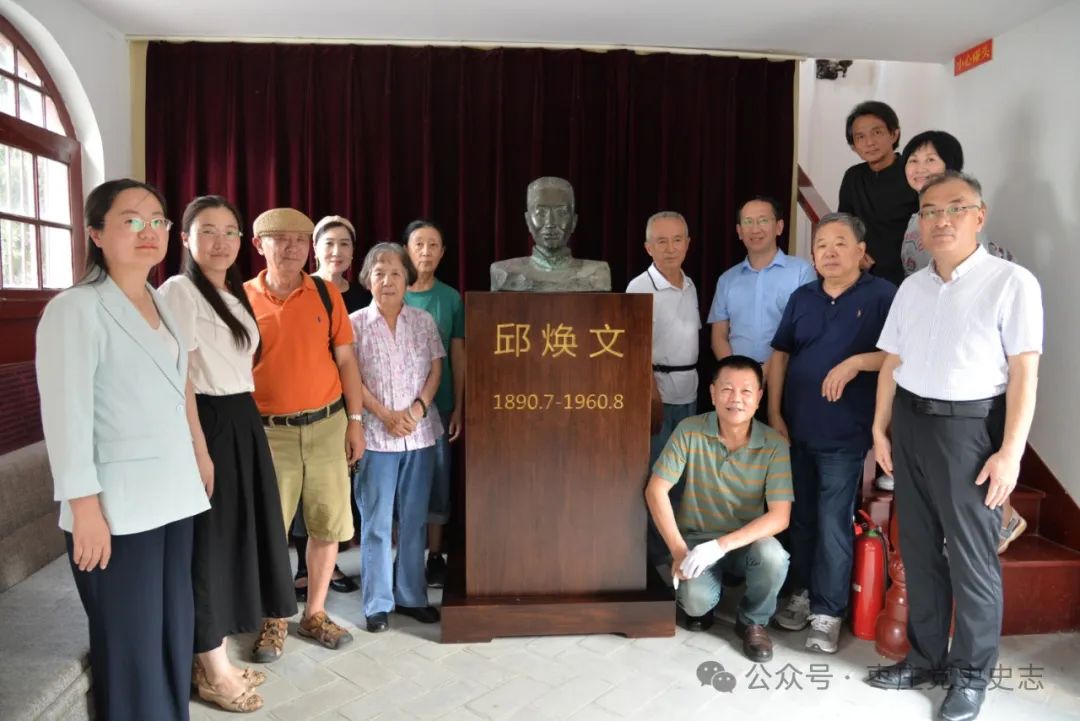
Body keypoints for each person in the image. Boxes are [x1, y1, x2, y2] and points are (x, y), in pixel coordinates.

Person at [868, 171, 1042, 721]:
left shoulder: (1011, 282)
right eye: (930, 211)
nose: (941, 220)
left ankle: (970, 677)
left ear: (979, 216)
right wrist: (880, 427)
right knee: (918, 550)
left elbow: (1024, 373)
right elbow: (892, 361)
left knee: (972, 561)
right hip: (910, 424)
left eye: (955, 208)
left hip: (969, 431)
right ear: (919, 223)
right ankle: (925, 660)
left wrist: (1011, 452)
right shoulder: (912, 287)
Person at [36, 179, 212, 721]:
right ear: (95, 232)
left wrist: (199, 452)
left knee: (172, 628)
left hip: (173, 493)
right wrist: (83, 507)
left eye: (158, 220)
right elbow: (65, 417)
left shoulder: (162, 301)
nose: (148, 230)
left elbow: (180, 387)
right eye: (131, 220)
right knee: (132, 642)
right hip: (116, 506)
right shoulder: (75, 308)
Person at [159, 196, 298, 713]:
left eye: (230, 231)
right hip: (209, 423)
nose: (220, 242)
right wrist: (199, 448)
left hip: (241, 420)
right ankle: (213, 672)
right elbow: (180, 376)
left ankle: (212, 659)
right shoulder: (178, 291)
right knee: (207, 548)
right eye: (208, 231)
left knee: (233, 541)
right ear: (185, 239)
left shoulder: (231, 294)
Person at [767, 213, 896, 654]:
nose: (830, 252)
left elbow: (899, 355)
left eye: (840, 243)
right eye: (822, 244)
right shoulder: (802, 297)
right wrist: (774, 413)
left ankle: (828, 612)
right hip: (795, 429)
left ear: (861, 251)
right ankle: (800, 594)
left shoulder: (882, 296)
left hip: (845, 434)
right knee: (800, 519)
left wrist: (857, 362)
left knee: (832, 522)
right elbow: (780, 355)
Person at [243, 208, 365, 661]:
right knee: (271, 531)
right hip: (269, 434)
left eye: (300, 239)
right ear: (259, 245)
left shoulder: (326, 294)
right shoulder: (241, 300)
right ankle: (274, 617)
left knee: (327, 524)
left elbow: (346, 360)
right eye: (281, 239)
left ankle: (314, 613)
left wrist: (356, 421)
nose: (292, 248)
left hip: (328, 425)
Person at [645, 355, 793, 662]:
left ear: (759, 398)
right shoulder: (689, 430)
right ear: (712, 393)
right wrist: (678, 551)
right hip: (696, 541)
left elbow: (780, 516)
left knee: (773, 556)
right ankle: (706, 602)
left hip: (745, 543)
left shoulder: (774, 444)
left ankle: (753, 620)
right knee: (695, 604)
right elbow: (656, 490)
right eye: (726, 389)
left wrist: (720, 546)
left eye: (746, 391)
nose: (736, 399)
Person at [351, 243, 445, 633]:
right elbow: (350, 378)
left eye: (395, 273)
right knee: (375, 523)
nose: (387, 281)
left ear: (407, 279)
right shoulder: (354, 323)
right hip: (376, 437)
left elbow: (436, 370)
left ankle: (411, 596)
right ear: (367, 279)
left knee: (414, 521)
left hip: (420, 435)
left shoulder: (423, 321)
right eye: (379, 273)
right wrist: (386, 414)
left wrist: (418, 409)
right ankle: (377, 603)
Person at [290, 214, 370, 601]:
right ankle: (304, 570)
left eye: (345, 244)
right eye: (329, 243)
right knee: (302, 490)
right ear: (315, 249)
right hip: (307, 402)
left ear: (354, 252)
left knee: (334, 491)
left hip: (347, 403)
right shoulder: (302, 290)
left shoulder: (363, 296)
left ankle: (329, 563)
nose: (337, 251)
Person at [626, 211, 701, 564]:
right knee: (657, 475)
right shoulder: (639, 287)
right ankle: (656, 558)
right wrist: (650, 393)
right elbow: (632, 349)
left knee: (683, 476)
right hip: (655, 393)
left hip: (690, 392)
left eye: (677, 240)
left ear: (688, 244)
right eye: (661, 241)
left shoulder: (690, 284)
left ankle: (677, 550)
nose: (670, 249)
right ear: (648, 247)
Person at [707, 196, 815, 417]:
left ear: (779, 227)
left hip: (787, 380)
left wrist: (764, 372)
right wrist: (738, 375)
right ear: (739, 231)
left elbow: (803, 332)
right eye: (748, 222)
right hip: (737, 388)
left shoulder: (801, 272)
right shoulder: (727, 279)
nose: (755, 228)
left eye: (763, 220)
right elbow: (719, 336)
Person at [403, 220, 465, 588]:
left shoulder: (450, 298)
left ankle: (435, 554)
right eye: (418, 244)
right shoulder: (392, 290)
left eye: (433, 245)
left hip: (439, 406)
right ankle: (404, 556)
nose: (425, 251)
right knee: (403, 480)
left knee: (439, 478)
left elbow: (458, 354)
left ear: (442, 253)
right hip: (398, 409)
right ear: (406, 250)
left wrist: (459, 405)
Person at [900, 131, 1014, 276]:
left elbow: (973, 273)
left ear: (950, 164)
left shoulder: (963, 211)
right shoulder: (917, 216)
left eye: (930, 160)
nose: (920, 169)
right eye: (913, 161)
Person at [838, 100, 919, 287]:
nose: (869, 142)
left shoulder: (914, 172)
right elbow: (844, 224)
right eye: (860, 137)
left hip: (909, 275)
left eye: (877, 132)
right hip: (865, 274)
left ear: (894, 134)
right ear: (853, 146)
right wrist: (853, 254)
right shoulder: (853, 177)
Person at [489, 176, 611, 291]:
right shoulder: (503, 272)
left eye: (561, 213)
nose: (550, 223)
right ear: (528, 221)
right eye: (541, 213)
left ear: (574, 221)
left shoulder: (597, 273)